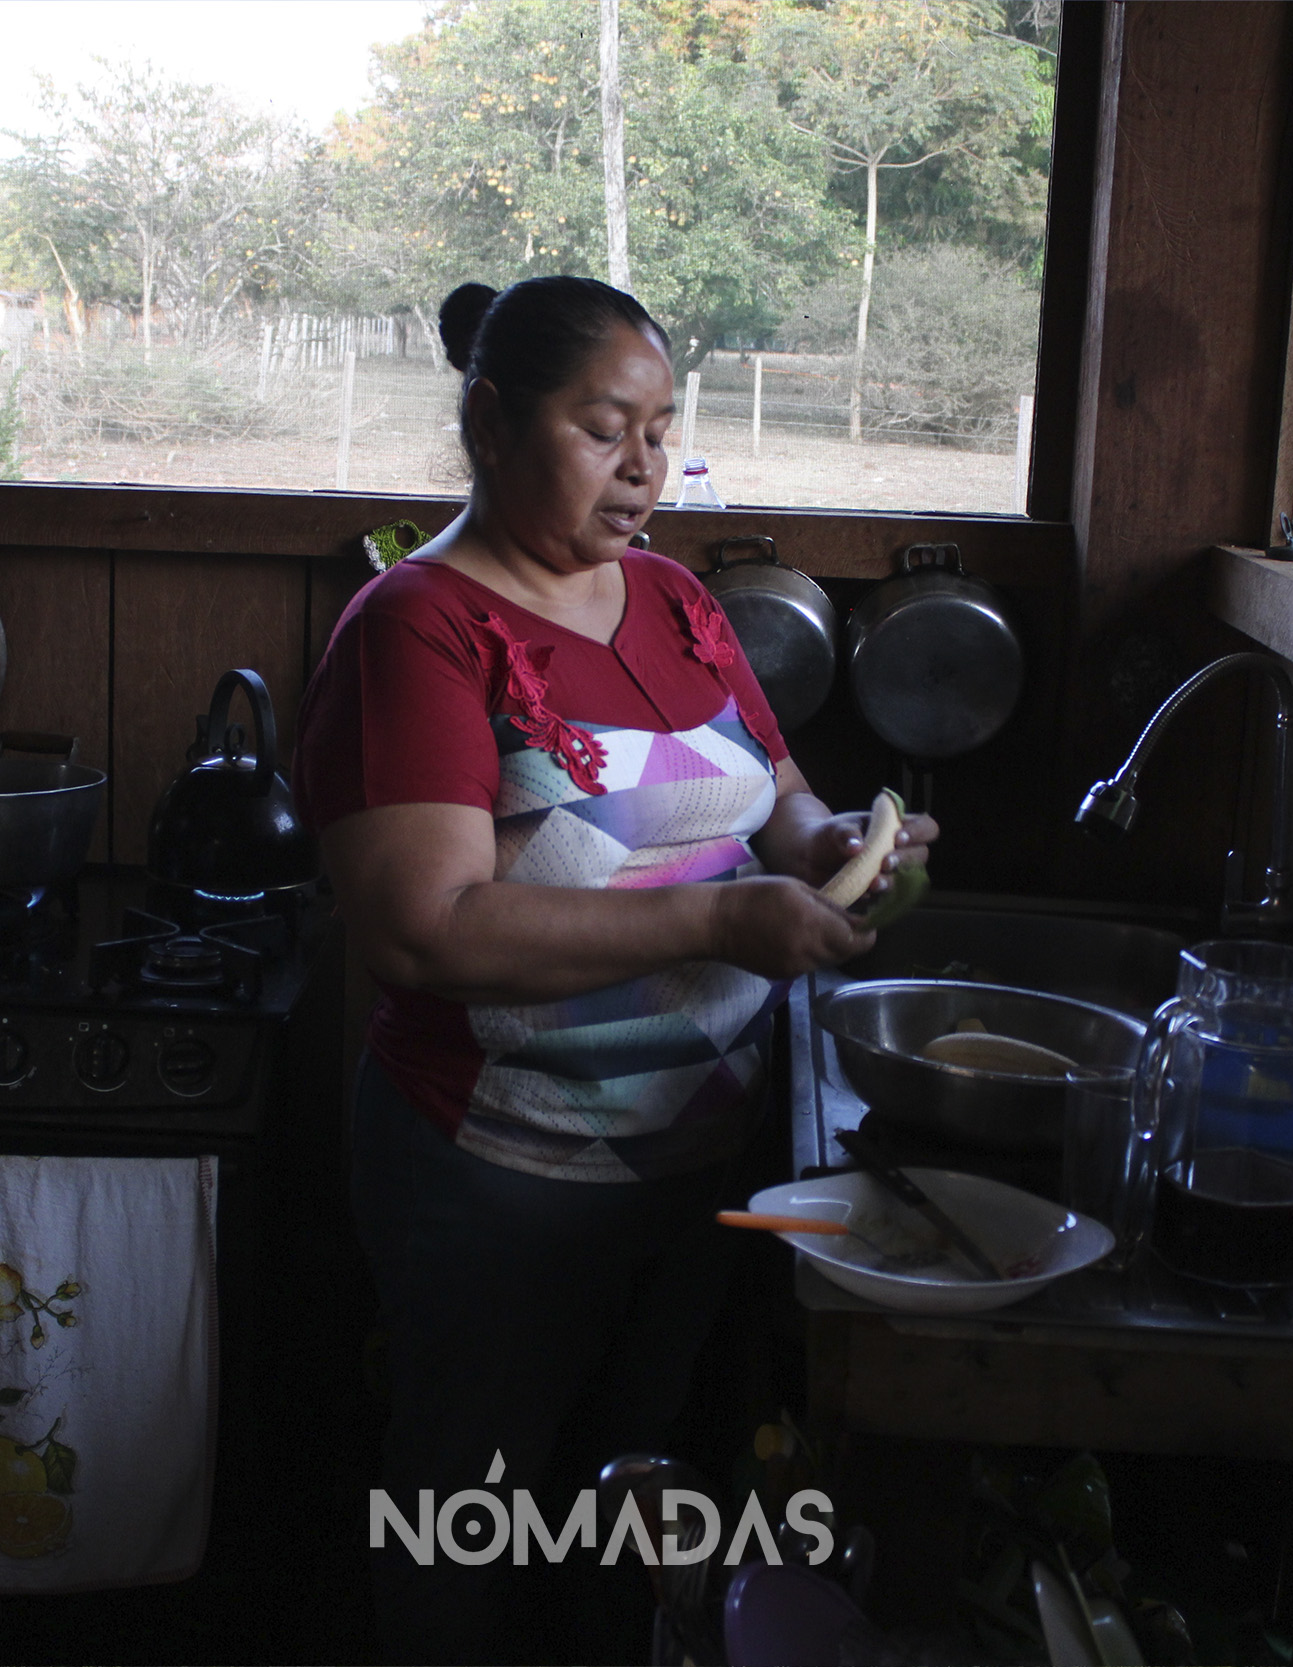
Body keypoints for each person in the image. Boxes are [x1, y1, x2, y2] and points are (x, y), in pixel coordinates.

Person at [293, 275, 938, 1662]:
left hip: (697, 1161)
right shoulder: (417, 629)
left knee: (637, 1491)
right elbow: (423, 930)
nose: (643, 467)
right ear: (489, 422)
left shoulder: (674, 600)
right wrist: (719, 925)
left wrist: (849, 846)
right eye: (602, 430)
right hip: (501, 1174)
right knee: (468, 1509)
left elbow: (778, 802)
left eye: (659, 431)